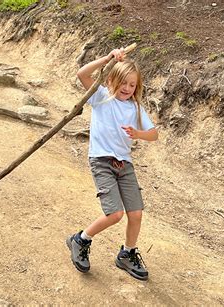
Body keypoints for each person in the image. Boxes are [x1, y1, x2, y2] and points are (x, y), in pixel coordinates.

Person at [66, 48, 158, 281]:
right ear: (111, 80)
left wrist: (138, 133)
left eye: (132, 85)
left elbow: (154, 134)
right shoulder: (101, 97)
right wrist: (107, 59)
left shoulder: (135, 108)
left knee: (135, 213)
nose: (127, 88)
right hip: (102, 161)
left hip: (124, 164)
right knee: (116, 213)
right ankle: (81, 239)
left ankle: (127, 254)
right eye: (123, 83)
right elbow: (82, 73)